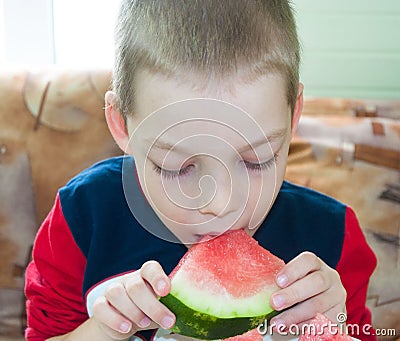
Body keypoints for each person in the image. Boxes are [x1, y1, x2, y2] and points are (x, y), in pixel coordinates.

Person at [24, 1, 377, 341]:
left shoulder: (335, 239)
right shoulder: (80, 218)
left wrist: (334, 328)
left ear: (293, 115)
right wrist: (102, 332)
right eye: (178, 167)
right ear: (121, 125)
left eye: (256, 160)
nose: (221, 204)